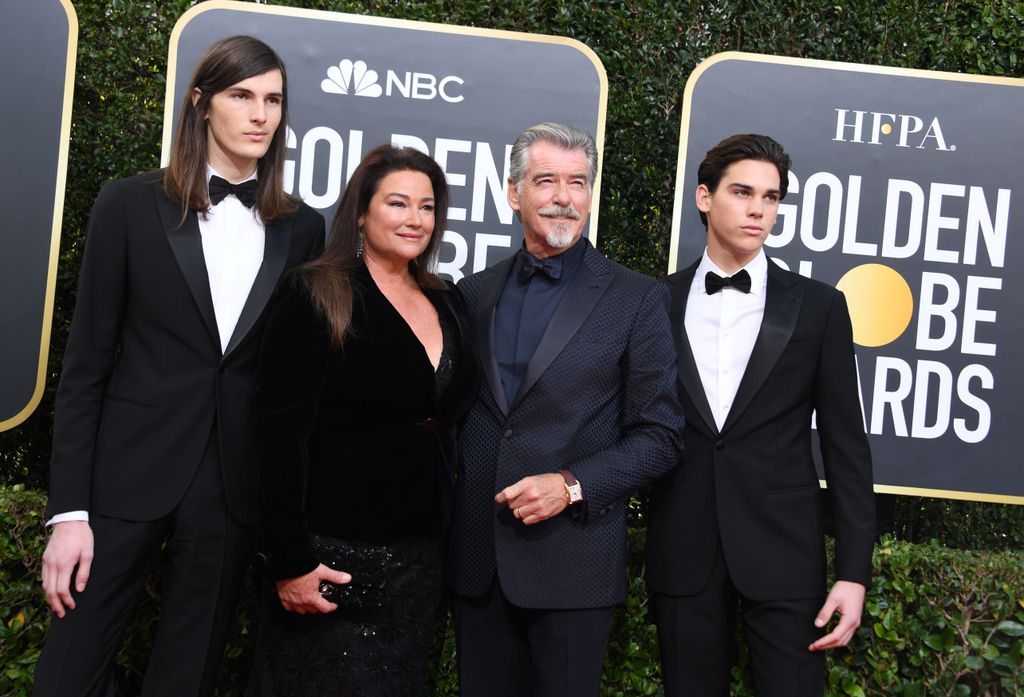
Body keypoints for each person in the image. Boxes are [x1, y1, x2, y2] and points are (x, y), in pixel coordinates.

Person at [34, 36, 325, 697]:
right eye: (242, 95)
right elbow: (84, 367)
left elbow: (291, 387)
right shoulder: (129, 205)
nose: (261, 114)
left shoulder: (302, 229)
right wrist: (69, 511)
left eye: (274, 99)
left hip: (230, 483)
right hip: (125, 474)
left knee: (186, 679)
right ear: (201, 103)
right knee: (65, 675)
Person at [447, 122, 684, 697]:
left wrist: (571, 484)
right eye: (547, 180)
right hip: (477, 564)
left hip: (574, 566)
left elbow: (662, 434)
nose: (564, 197)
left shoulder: (636, 299)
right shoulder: (471, 292)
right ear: (514, 193)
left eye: (578, 183)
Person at [646, 133, 876, 696]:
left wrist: (853, 573)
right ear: (704, 197)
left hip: (784, 551)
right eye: (743, 192)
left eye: (771, 198)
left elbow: (847, 448)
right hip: (684, 546)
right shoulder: (654, 301)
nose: (758, 210)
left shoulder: (819, 306)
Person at [245, 143, 479, 697]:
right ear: (361, 212)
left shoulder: (447, 299)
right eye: (398, 203)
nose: (415, 219)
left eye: (427, 207)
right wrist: (291, 561)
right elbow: (277, 436)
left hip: (418, 560)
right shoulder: (317, 291)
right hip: (331, 556)